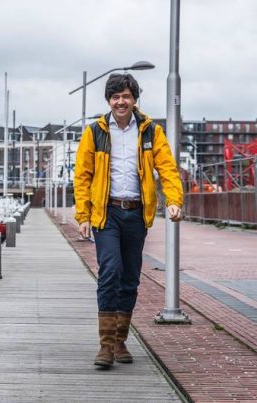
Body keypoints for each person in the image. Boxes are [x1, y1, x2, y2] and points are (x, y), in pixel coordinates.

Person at [74, 73, 183, 369]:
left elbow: (168, 169)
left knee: (130, 278)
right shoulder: (94, 132)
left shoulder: (150, 132)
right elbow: (82, 176)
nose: (121, 102)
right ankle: (106, 346)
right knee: (110, 271)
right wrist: (83, 215)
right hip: (106, 214)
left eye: (126, 96)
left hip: (136, 213)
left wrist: (174, 200)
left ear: (135, 99)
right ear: (109, 101)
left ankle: (121, 339)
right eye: (115, 97)